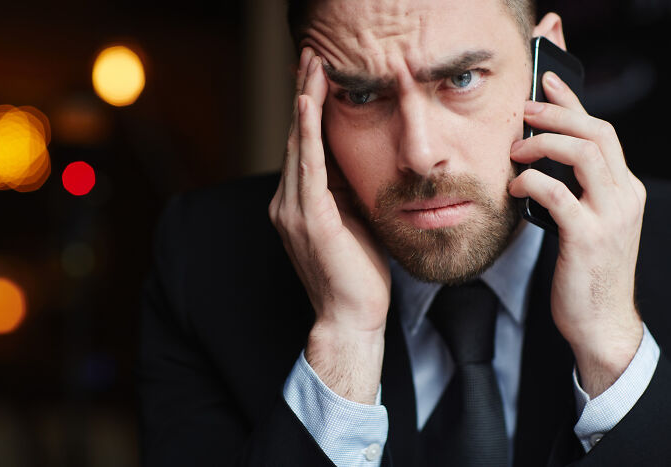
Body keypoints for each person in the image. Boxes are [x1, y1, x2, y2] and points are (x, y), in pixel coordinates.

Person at [138, 0, 671, 465]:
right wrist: (343, 342)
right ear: (311, 100)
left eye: (462, 79)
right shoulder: (203, 258)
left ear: (547, 60)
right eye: (361, 96)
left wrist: (611, 352)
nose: (419, 154)